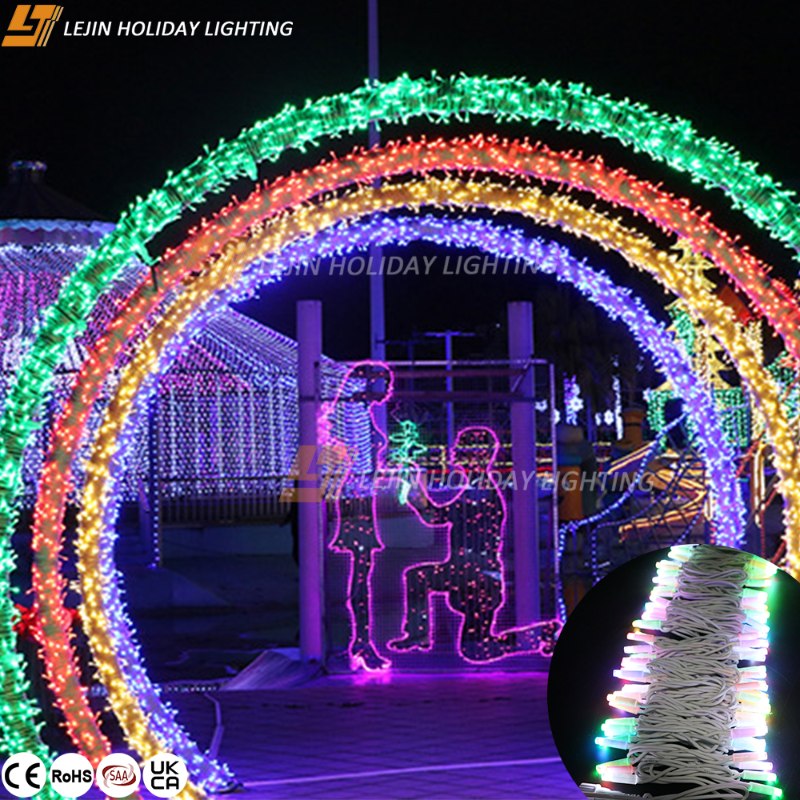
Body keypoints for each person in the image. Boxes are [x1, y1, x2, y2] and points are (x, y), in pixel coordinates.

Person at [389, 426, 560, 662]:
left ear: (477, 456)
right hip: (470, 574)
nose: (454, 454)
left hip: (477, 577)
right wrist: (417, 495)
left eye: (461, 449)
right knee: (475, 644)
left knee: (477, 648)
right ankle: (542, 634)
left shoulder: (479, 492)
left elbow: (437, 517)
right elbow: (438, 517)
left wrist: (417, 495)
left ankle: (542, 634)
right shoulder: (475, 490)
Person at [322, 360, 395, 672]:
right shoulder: (349, 415)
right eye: (382, 382)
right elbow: (337, 462)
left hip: (359, 499)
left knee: (362, 574)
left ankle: (359, 640)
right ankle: (359, 641)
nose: (387, 389)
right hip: (354, 503)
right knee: (359, 576)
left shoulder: (356, 413)